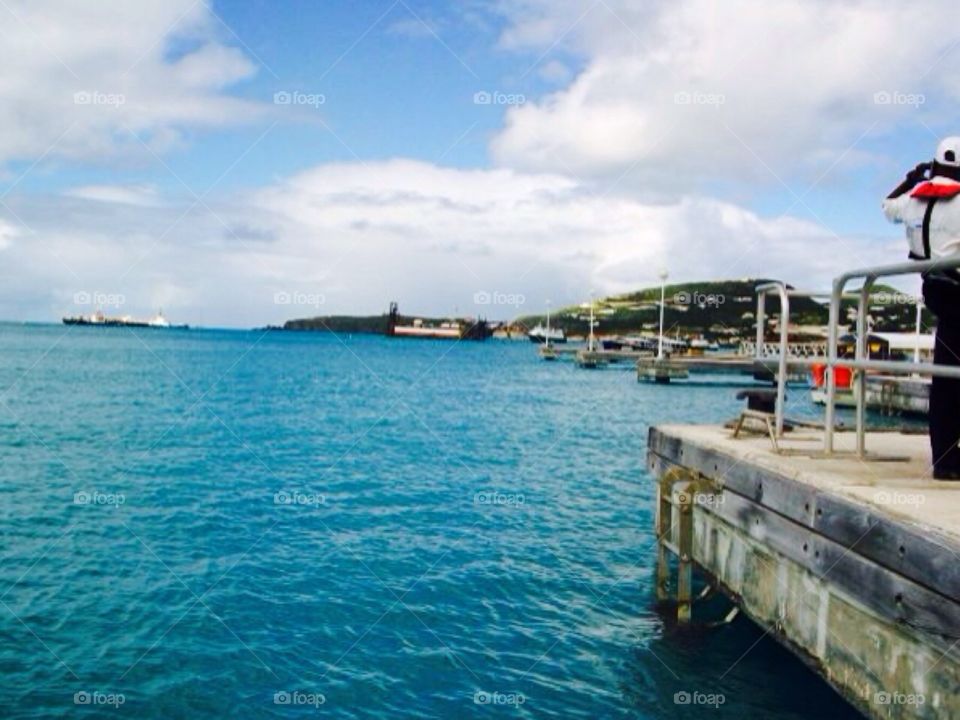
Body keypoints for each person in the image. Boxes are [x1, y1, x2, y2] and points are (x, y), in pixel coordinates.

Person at [883, 137, 960, 480]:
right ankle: (947, 460)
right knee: (950, 377)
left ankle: (944, 459)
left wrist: (912, 178)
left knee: (945, 378)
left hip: (935, 290)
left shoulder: (913, 201)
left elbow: (887, 205)